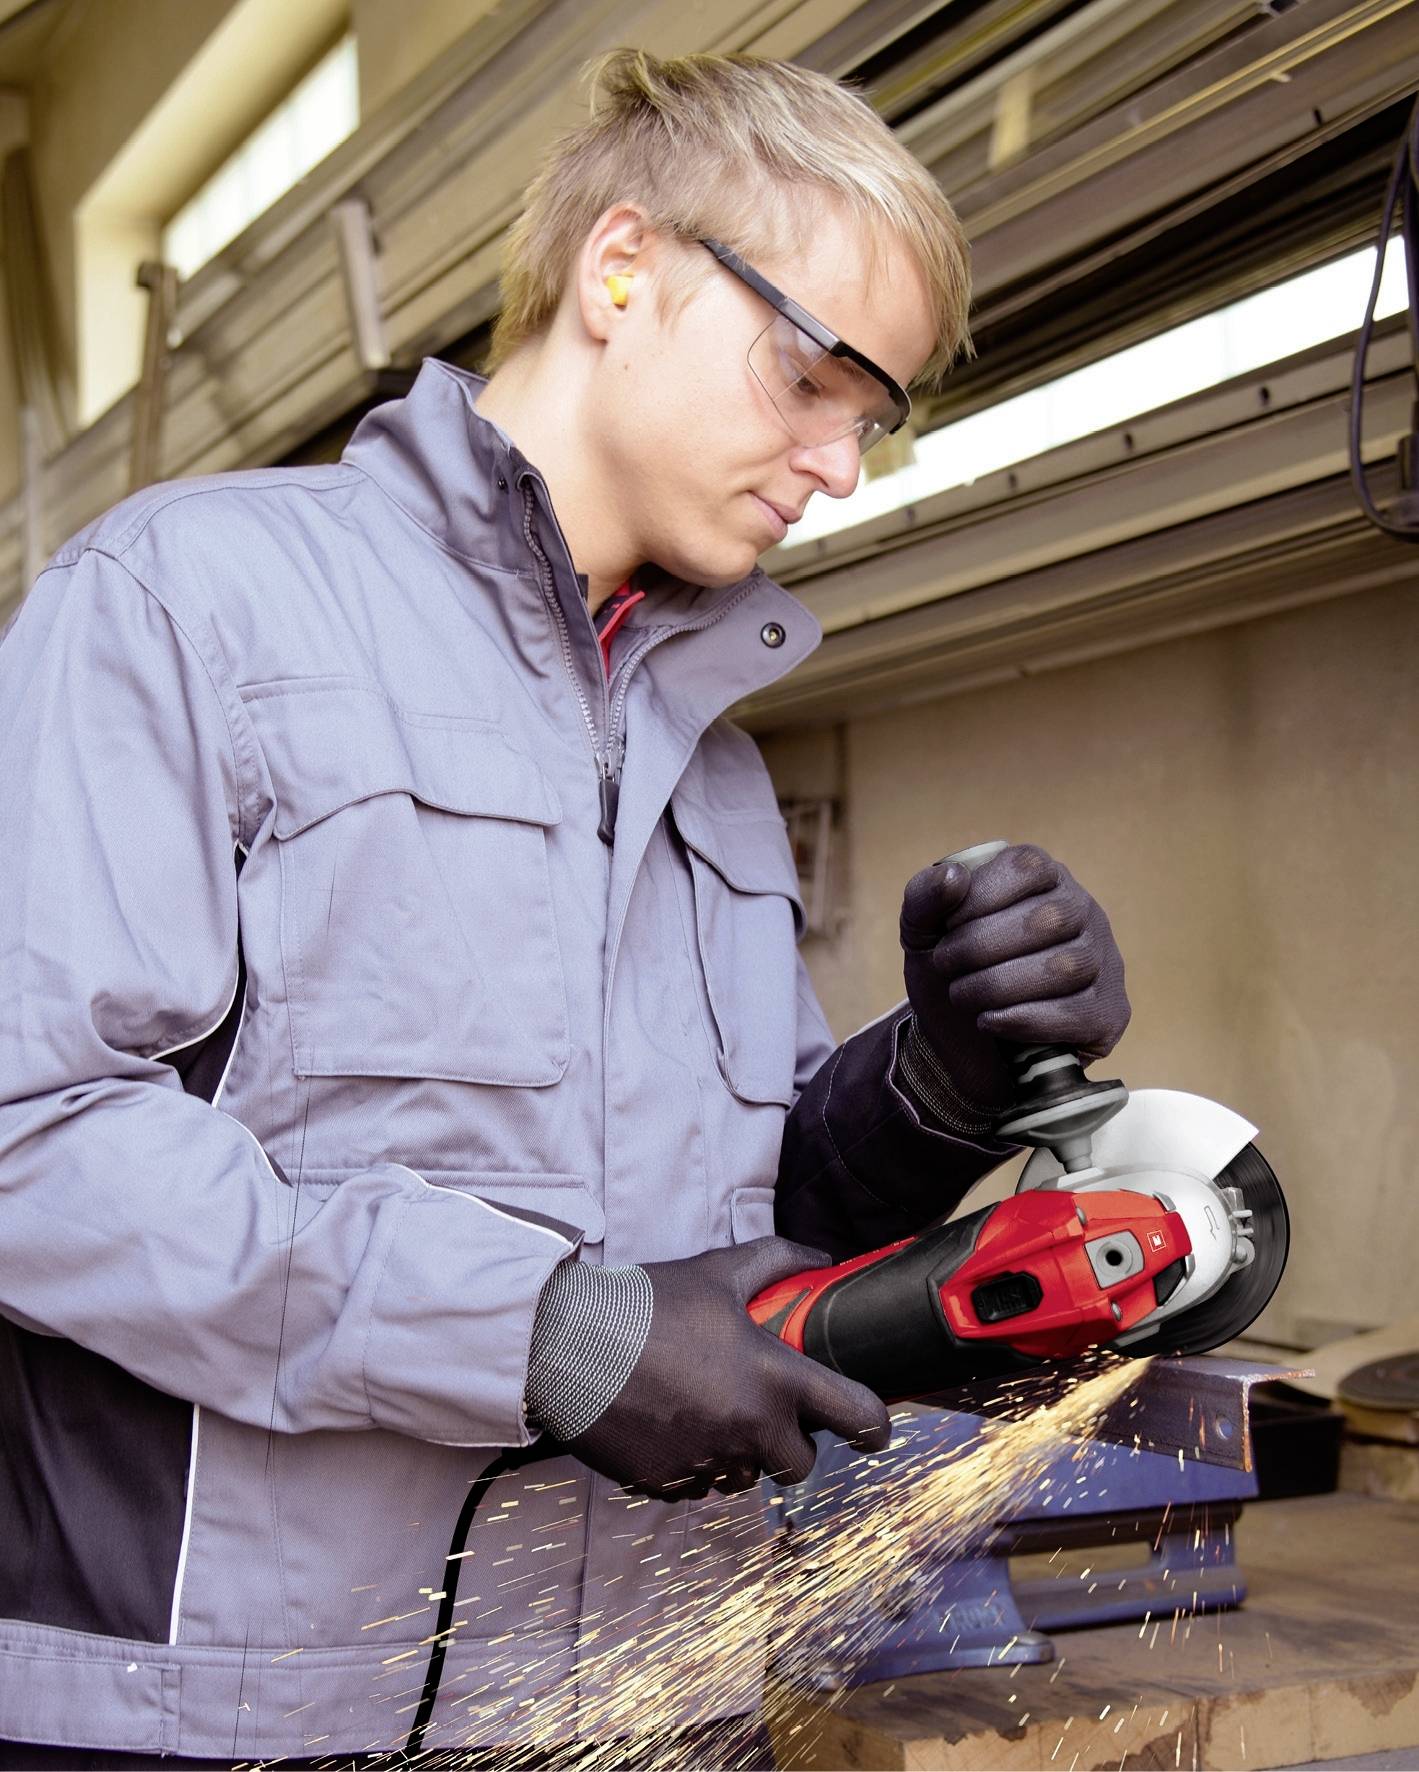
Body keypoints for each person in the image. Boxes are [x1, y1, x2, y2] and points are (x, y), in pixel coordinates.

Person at [0, 48, 1129, 1768]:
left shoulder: (713, 764)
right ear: (624, 270)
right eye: (814, 374)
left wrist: (934, 1090)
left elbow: (746, 1236)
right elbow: (32, 1136)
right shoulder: (186, 604)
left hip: (649, 1709)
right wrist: (544, 1335)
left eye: (872, 417)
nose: (839, 465)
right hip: (235, 1724)